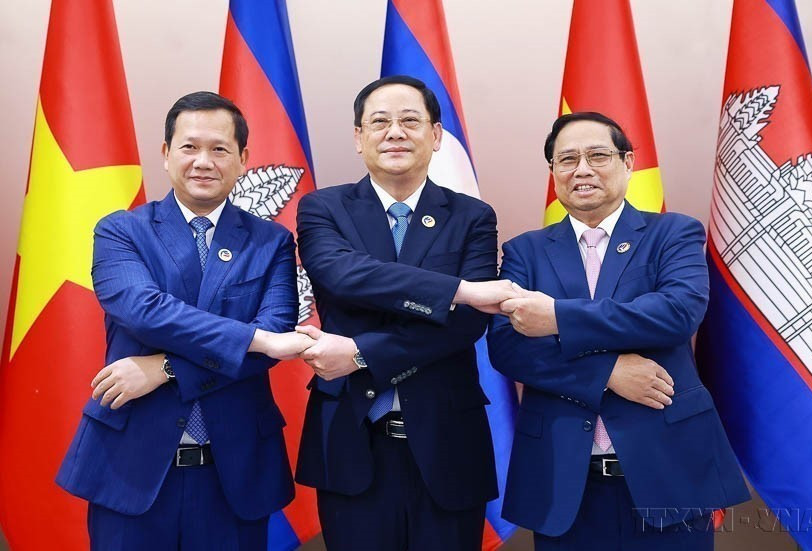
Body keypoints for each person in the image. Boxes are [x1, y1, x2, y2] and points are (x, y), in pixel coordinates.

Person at [56, 91, 313, 549]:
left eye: (219, 149)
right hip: (130, 468)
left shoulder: (272, 241)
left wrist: (167, 368)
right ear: (166, 153)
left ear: (243, 159)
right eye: (189, 147)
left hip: (232, 472)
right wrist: (253, 338)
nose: (203, 161)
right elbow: (145, 311)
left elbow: (271, 341)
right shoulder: (120, 231)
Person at [488, 112, 750, 550]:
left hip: (670, 473)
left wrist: (557, 318)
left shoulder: (674, 233)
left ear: (628, 162)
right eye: (566, 159)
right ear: (553, 172)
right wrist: (606, 374)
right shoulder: (525, 252)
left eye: (598, 155)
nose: (582, 169)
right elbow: (509, 348)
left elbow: (676, 312)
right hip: (562, 480)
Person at [293, 75, 516, 551]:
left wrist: (360, 353)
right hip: (353, 439)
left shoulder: (472, 216)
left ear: (435, 136)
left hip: (447, 441)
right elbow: (343, 277)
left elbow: (466, 323)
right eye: (380, 121)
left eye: (410, 120)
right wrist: (459, 289)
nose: (395, 131)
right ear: (359, 138)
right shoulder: (323, 208)